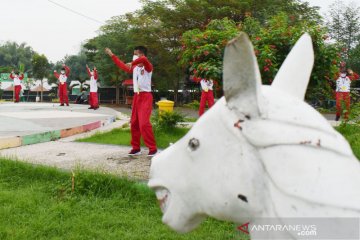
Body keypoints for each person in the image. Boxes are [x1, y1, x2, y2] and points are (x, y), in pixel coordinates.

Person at [105, 46, 158, 157]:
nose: (135, 57)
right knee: (134, 123)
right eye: (134, 54)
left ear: (142, 55)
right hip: (136, 97)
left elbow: (143, 60)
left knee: (144, 124)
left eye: (137, 54)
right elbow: (121, 64)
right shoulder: (134, 68)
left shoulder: (148, 67)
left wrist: (133, 62)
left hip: (146, 96)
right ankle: (136, 148)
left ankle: (152, 148)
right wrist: (111, 55)